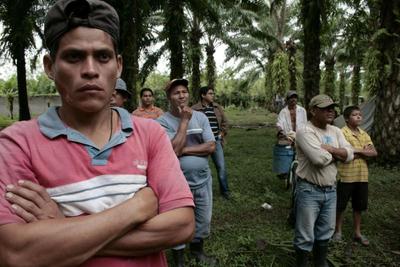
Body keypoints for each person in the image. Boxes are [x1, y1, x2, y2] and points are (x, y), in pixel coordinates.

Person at [0, 1, 195, 266]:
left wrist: (63, 227)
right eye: (73, 56)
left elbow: (181, 226)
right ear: (50, 66)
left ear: (118, 66)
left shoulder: (150, 134)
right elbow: (16, 252)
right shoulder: (17, 144)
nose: (90, 69)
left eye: (102, 57)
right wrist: (135, 208)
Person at [157, 79, 217, 267]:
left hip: (202, 179)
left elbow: (211, 146)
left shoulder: (202, 118)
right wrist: (184, 121)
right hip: (176, 182)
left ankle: (197, 251)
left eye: (184, 91)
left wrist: (183, 150)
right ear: (169, 97)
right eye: (176, 93)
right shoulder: (161, 122)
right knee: (177, 222)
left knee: (203, 218)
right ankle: (180, 259)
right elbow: (171, 151)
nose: (181, 96)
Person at [294, 94, 354, 267]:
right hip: (309, 189)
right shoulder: (305, 131)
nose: (331, 111)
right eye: (325, 108)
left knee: (325, 231)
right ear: (313, 111)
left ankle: (320, 263)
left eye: (332, 108)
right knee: (305, 234)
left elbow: (350, 155)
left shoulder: (335, 130)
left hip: (331, 189)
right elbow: (318, 160)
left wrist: (330, 149)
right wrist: (339, 154)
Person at [332, 106, 377, 246]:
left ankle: (357, 233)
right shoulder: (342, 133)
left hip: (362, 176)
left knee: (359, 206)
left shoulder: (364, 134)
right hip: (346, 176)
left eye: (359, 115)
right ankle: (337, 231)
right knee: (341, 205)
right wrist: (362, 152)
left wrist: (352, 153)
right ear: (346, 118)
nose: (358, 117)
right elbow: (340, 154)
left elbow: (374, 152)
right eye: (354, 115)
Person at [192, 86, 230, 199]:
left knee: (221, 167)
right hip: (201, 143)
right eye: (210, 93)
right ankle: (197, 191)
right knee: (199, 166)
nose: (213, 95)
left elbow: (225, 122)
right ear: (203, 95)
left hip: (216, 141)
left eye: (213, 93)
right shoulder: (194, 109)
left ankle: (225, 191)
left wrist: (222, 134)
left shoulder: (217, 107)